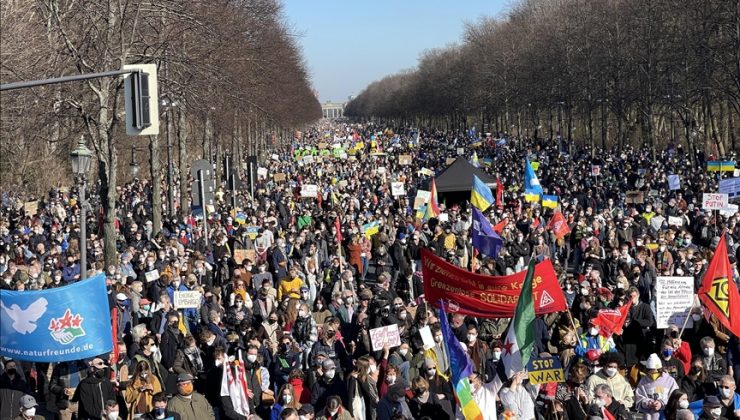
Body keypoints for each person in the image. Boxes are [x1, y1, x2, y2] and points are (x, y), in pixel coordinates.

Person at [635, 353, 678, 420]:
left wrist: (661, 403)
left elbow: (675, 398)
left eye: (655, 373)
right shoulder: (643, 381)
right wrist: (649, 403)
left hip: (666, 415)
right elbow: (639, 399)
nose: (653, 375)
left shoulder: (670, 380)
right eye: (651, 373)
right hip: (649, 417)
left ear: (660, 370)